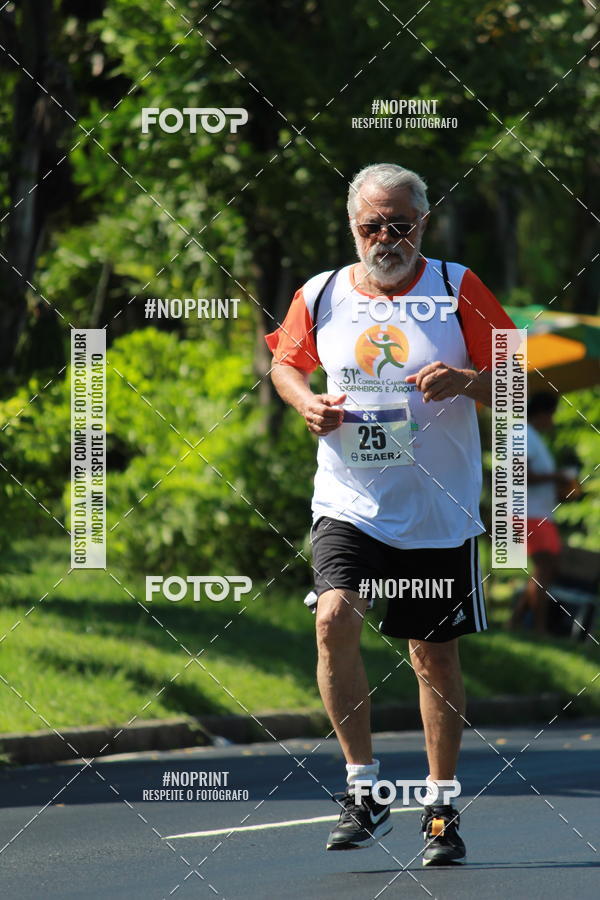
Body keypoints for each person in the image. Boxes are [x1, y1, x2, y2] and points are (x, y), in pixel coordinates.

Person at [265, 163, 516, 865]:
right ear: (353, 227)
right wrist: (302, 399)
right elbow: (286, 363)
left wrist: (471, 381)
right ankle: (363, 787)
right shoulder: (320, 293)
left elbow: (528, 381)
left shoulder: (455, 287)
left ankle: (439, 806)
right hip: (350, 501)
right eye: (372, 225)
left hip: (436, 509)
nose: (386, 237)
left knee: (431, 654)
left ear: (423, 224)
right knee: (333, 613)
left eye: (400, 224)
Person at [509, 392, 571, 634]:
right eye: (551, 416)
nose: (553, 422)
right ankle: (538, 628)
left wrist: (559, 489)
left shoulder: (535, 438)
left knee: (548, 569)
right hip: (527, 513)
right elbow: (518, 475)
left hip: (540, 513)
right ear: (543, 414)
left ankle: (516, 621)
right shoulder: (522, 435)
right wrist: (557, 477)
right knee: (546, 568)